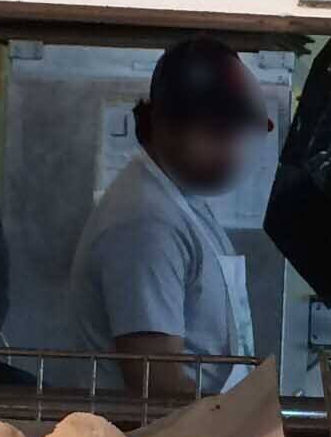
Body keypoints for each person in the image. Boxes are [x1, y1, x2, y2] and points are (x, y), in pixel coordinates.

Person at [65, 40, 271, 399]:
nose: (231, 154)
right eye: (215, 134)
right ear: (162, 124)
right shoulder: (145, 223)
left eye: (238, 136)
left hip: (197, 433)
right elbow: (157, 382)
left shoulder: (181, 200)